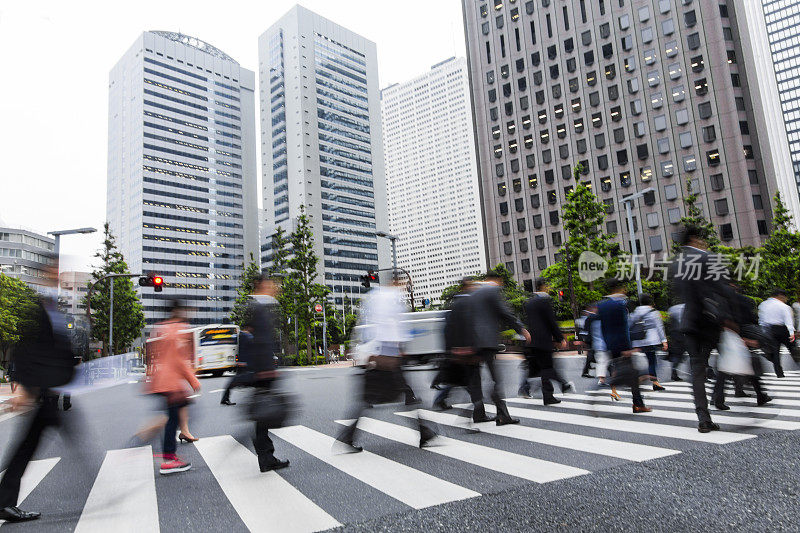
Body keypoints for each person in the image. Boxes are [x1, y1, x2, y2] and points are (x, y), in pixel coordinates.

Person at [0, 267, 77, 523]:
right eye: (55, 276)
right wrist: (22, 387)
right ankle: (5, 502)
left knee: (28, 446)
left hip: (50, 391)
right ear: (46, 278)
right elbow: (24, 348)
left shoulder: (54, 310)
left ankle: (5, 501)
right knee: (28, 447)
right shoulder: (37, 311)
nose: (59, 280)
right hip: (41, 393)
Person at [337, 275, 436, 451]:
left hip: (378, 355)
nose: (402, 287)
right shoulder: (391, 299)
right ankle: (425, 432)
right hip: (388, 356)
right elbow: (395, 326)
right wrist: (399, 350)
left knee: (375, 398)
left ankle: (425, 432)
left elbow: (370, 324)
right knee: (404, 396)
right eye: (401, 284)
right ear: (396, 283)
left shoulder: (375, 296)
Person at [669, 225, 734, 433]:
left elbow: (680, 292)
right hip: (711, 323)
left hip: (690, 323)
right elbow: (723, 289)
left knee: (697, 371)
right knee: (729, 360)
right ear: (696, 239)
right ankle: (723, 396)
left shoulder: (676, 264)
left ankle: (703, 418)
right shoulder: (708, 258)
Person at [466, 270, 531, 425]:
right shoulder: (492, 290)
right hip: (487, 341)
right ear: (496, 279)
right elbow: (504, 312)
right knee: (496, 378)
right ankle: (502, 414)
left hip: (474, 342)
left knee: (476, 378)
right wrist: (520, 329)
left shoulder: (473, 294)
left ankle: (479, 413)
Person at [243, 274, 291, 472]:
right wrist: (267, 369)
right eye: (271, 284)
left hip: (260, 367)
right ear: (263, 285)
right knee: (262, 412)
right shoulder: (259, 308)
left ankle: (266, 456)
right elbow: (261, 341)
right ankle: (265, 456)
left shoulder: (256, 306)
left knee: (261, 412)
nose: (274, 287)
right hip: (262, 369)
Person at [146, 301, 201, 475]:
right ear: (179, 311)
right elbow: (178, 359)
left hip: (162, 380)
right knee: (172, 419)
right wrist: (193, 380)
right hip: (171, 383)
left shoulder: (162, 327)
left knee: (173, 416)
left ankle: (165, 451)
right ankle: (168, 458)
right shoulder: (179, 329)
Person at [712, 281, 772, 408]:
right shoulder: (743, 300)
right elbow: (751, 320)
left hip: (723, 336)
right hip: (737, 335)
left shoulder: (717, 298)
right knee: (747, 365)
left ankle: (718, 398)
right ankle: (759, 394)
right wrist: (746, 338)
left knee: (725, 369)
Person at [597, 278, 651, 413]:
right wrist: (628, 348)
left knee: (627, 372)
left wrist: (607, 344)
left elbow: (602, 327)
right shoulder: (620, 304)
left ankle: (637, 402)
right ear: (619, 288)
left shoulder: (602, 305)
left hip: (610, 344)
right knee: (632, 373)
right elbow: (624, 328)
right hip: (622, 344)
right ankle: (637, 403)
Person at [520, 278, 572, 405]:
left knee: (542, 367)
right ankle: (549, 394)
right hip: (543, 340)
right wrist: (560, 338)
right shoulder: (544, 301)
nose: (549, 288)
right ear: (543, 286)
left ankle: (537, 390)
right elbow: (551, 322)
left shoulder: (529, 303)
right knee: (547, 367)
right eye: (547, 285)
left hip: (533, 340)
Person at [432, 277, 479, 411]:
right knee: (464, 379)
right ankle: (478, 402)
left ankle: (441, 399)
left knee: (457, 379)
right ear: (466, 287)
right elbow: (467, 327)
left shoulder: (456, 303)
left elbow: (449, 329)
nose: (474, 288)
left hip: (456, 349)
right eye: (472, 285)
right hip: (463, 350)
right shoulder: (466, 302)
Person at [629, 294, 667, 391]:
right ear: (650, 301)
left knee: (639, 361)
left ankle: (638, 379)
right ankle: (654, 382)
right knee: (652, 361)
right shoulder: (654, 312)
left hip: (638, 340)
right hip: (650, 340)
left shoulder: (636, 311)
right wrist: (664, 341)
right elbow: (659, 327)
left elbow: (630, 324)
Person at [758, 288, 795, 378]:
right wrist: (791, 333)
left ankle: (779, 373)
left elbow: (761, 320)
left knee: (775, 352)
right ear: (781, 296)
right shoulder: (783, 306)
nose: (786, 300)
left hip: (769, 330)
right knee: (793, 349)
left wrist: (763, 332)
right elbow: (788, 320)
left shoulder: (763, 305)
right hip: (783, 329)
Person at [666, 302, 686, 381]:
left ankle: (674, 372)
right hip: (685, 333)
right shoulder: (685, 307)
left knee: (677, 353)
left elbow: (669, 322)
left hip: (674, 334)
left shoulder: (671, 309)